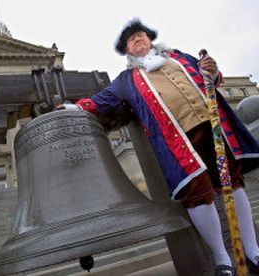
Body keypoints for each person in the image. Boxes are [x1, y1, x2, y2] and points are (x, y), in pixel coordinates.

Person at [60, 19, 259, 276]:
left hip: (213, 127)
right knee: (197, 193)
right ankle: (222, 259)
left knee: (233, 183)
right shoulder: (126, 80)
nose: (138, 39)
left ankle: (253, 251)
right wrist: (71, 108)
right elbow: (101, 101)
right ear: (128, 51)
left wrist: (213, 70)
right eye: (132, 39)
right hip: (178, 141)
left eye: (142, 35)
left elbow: (211, 79)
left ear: (150, 39)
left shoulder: (181, 57)